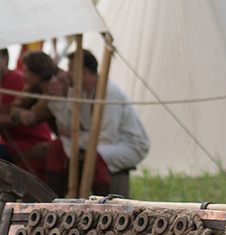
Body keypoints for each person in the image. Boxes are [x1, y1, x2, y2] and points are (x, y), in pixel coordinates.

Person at [45, 49, 149, 197]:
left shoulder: (109, 92)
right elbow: (66, 127)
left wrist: (76, 137)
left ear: (84, 72)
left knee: (94, 156)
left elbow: (107, 138)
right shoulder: (81, 90)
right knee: (57, 147)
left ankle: (105, 209)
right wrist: (57, 97)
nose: (67, 74)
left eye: (71, 69)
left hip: (128, 145)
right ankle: (54, 201)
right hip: (97, 141)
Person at [0, 48, 53, 176]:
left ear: (4, 59)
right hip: (10, 140)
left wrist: (14, 112)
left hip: (31, 140)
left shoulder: (17, 79)